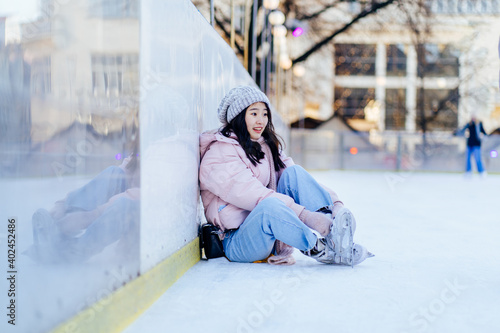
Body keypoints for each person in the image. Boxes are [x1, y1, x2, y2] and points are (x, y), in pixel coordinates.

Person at [199, 86, 373, 266]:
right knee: (269, 205)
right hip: (236, 241)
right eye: (254, 114)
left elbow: (298, 178)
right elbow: (254, 194)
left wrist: (335, 204)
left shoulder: (264, 146)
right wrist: (306, 217)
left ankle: (333, 231)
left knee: (293, 173)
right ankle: (320, 249)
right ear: (238, 117)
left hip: (271, 236)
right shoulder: (219, 154)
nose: (261, 121)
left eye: (265, 114)